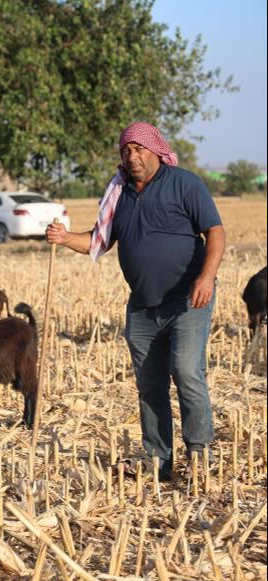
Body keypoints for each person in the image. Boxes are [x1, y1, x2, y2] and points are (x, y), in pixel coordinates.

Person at [46, 122, 225, 482]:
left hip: (187, 299)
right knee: (150, 384)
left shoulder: (184, 183)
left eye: (139, 149)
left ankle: (199, 456)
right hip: (142, 306)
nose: (132, 156)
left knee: (186, 372)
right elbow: (98, 241)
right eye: (126, 150)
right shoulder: (119, 193)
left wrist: (206, 278)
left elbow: (216, 233)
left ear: (156, 150)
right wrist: (64, 238)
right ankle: (158, 459)